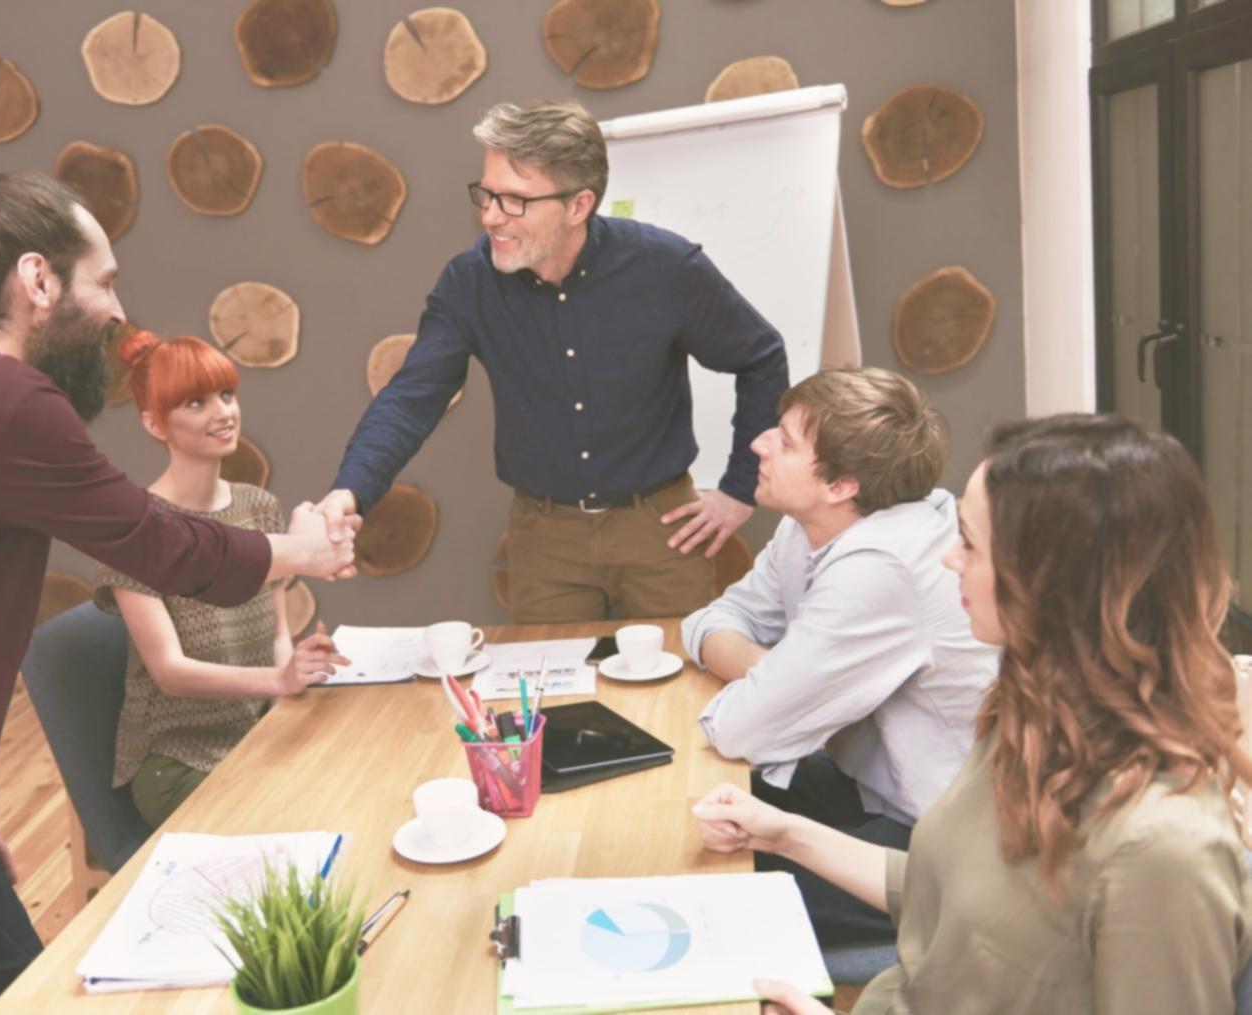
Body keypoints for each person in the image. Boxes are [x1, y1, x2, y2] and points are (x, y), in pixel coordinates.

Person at [0, 156, 356, 1014]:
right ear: (37, 281)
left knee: (27, 993)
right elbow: (152, 540)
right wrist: (301, 550)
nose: (120, 313)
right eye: (106, 282)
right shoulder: (2, 399)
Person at [694, 414, 1252, 1014]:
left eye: (969, 542)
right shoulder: (1027, 710)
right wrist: (785, 835)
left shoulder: (1162, 848)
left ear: (1051, 582)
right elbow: (956, 897)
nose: (948, 561)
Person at [317, 99, 789, 623]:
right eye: (487, 194)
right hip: (545, 540)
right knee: (550, 700)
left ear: (578, 205)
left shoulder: (666, 268)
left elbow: (760, 356)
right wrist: (349, 491)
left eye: (515, 200)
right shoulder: (469, 282)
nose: (491, 215)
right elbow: (411, 399)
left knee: (681, 693)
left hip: (661, 530)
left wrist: (739, 489)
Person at [682, 367, 998, 948]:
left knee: (702, 891)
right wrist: (787, 677)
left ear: (840, 485)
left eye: (785, 439)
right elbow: (709, 622)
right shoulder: (809, 527)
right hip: (871, 787)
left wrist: (789, 685)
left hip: (946, 846)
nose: (759, 443)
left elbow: (739, 727)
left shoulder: (883, 563)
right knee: (690, 810)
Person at [95, 330, 348, 827]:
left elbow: (277, 632)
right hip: (181, 763)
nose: (223, 413)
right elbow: (169, 671)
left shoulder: (258, 507)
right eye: (196, 402)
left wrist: (289, 685)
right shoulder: (136, 532)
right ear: (154, 423)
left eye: (227, 395)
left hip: (259, 736)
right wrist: (279, 678)